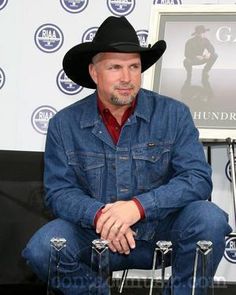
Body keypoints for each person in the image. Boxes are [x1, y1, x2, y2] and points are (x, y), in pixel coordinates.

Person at [22, 16, 231, 295]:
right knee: (42, 248)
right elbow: (59, 192)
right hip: (95, 236)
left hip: (161, 233)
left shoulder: (173, 113)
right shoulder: (64, 123)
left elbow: (197, 178)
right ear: (94, 73)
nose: (127, 77)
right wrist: (101, 217)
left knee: (210, 219)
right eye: (115, 67)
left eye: (134, 66)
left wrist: (137, 207)